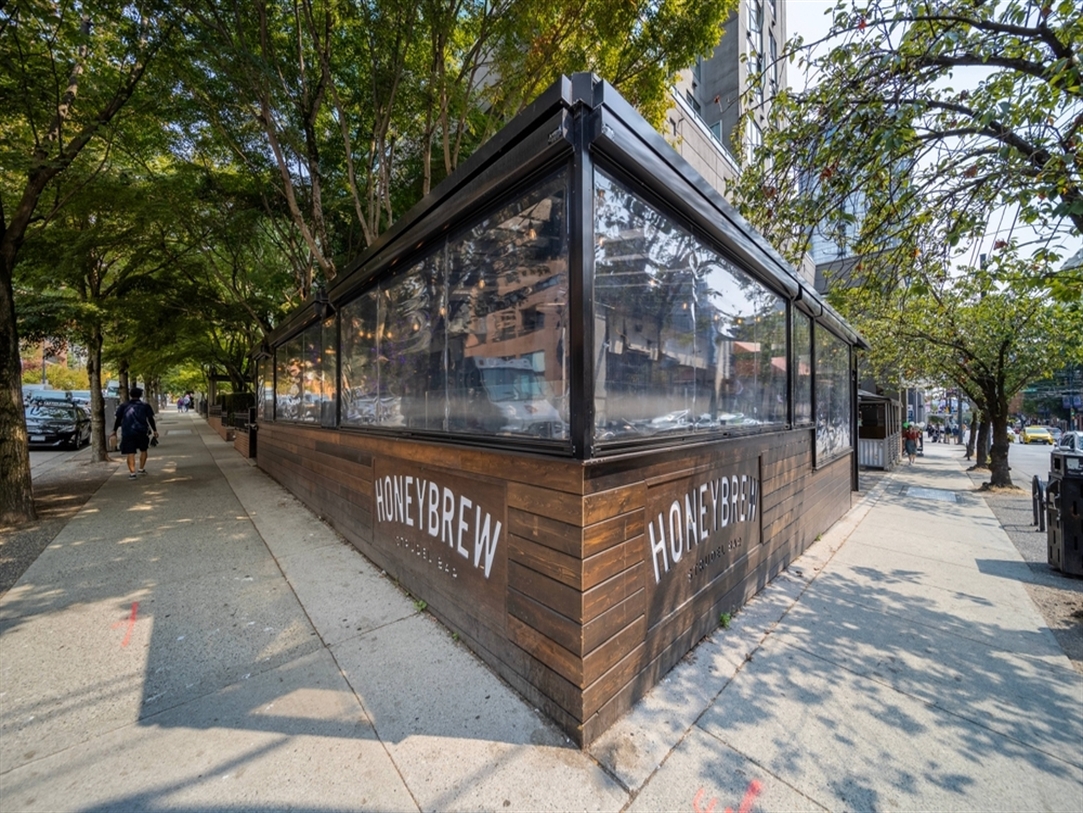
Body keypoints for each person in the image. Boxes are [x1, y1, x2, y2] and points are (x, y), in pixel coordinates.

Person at [111, 387, 158, 479]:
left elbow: (118, 419)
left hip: (128, 431)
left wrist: (114, 430)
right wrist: (154, 430)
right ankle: (141, 468)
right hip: (142, 431)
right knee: (144, 450)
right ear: (140, 395)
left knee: (130, 452)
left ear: (130, 395)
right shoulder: (145, 406)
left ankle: (132, 473)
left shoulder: (123, 406)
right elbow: (150, 419)